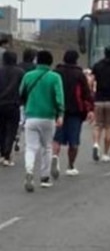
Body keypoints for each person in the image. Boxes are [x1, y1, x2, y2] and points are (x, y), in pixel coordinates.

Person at [20, 51, 64, 191]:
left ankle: (29, 171)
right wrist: (61, 114)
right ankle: (44, 178)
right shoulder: (55, 77)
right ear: (51, 62)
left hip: (31, 116)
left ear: (37, 61)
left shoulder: (28, 76)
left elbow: (21, 94)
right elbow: (59, 97)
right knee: (47, 147)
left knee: (31, 147)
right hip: (48, 117)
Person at [52, 50, 93, 178]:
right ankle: (70, 166)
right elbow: (86, 93)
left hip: (58, 110)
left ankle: (55, 157)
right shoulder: (79, 74)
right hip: (75, 110)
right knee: (74, 141)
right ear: (76, 59)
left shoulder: (56, 72)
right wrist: (91, 108)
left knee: (56, 138)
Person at [89, 46, 110, 163]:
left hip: (99, 99)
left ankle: (95, 144)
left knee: (97, 125)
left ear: (104, 53)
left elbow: (91, 81)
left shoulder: (97, 65)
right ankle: (105, 153)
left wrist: (92, 92)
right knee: (109, 126)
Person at [0, 51, 26, 167]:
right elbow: (24, 89)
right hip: (14, 104)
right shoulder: (20, 72)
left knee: (1, 129)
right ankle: (7, 155)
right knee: (11, 130)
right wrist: (22, 101)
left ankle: (1, 153)